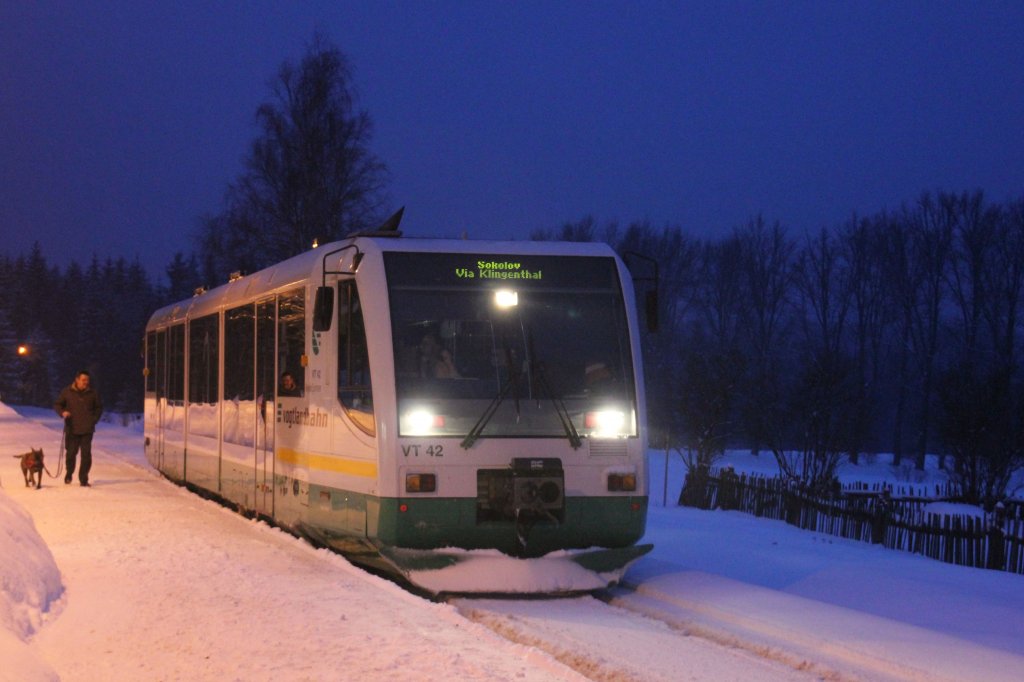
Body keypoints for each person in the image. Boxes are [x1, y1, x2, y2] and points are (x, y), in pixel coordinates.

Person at [54, 370, 103, 487]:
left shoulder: (93, 393)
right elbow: (57, 404)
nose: (86, 382)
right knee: (71, 454)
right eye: (83, 380)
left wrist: (93, 420)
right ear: (77, 380)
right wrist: (63, 412)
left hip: (87, 429)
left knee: (86, 455)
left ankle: (83, 479)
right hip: (72, 428)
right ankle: (69, 473)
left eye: (87, 380)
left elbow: (99, 408)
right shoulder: (67, 391)